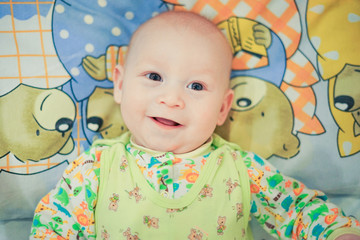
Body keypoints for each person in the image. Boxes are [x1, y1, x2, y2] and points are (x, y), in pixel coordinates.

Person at [30, 11, 360, 240]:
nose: (172, 99)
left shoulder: (241, 170)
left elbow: (296, 208)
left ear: (222, 108)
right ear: (119, 85)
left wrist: (337, 232)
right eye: (154, 77)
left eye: (197, 86)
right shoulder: (95, 169)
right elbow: (55, 226)